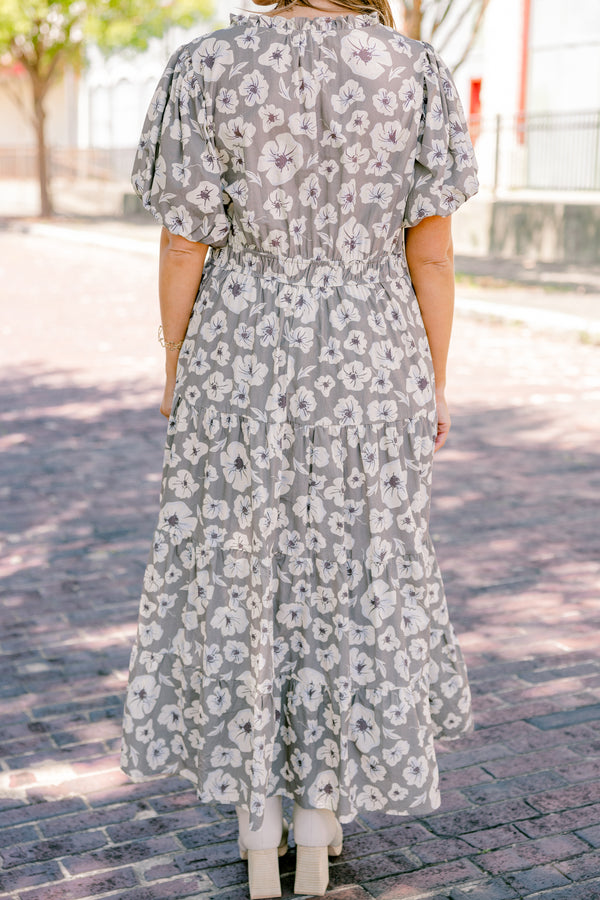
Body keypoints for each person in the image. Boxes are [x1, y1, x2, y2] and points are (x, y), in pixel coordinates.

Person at [120, 0, 479, 896]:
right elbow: (429, 255)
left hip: (239, 354)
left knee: (243, 571)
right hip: (372, 356)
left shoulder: (208, 65)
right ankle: (319, 826)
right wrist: (431, 379)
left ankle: (257, 828)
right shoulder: (414, 71)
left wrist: (176, 363)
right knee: (351, 575)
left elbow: (181, 243)